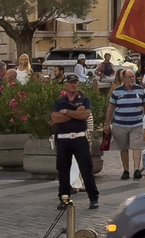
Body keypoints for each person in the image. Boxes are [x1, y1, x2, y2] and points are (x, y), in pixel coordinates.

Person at [51, 74, 99, 210]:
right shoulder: (59, 102)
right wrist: (74, 113)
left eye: (76, 82)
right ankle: (64, 198)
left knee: (86, 169)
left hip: (79, 138)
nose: (74, 85)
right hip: (63, 139)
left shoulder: (84, 100)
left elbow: (85, 115)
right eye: (71, 83)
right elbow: (55, 118)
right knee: (63, 170)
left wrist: (66, 112)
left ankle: (93, 197)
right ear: (65, 85)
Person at [106, 69, 145, 181]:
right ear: (124, 78)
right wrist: (107, 123)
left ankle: (136, 170)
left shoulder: (140, 90)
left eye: (133, 77)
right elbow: (111, 107)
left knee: (137, 146)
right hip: (120, 124)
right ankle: (125, 170)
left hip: (137, 123)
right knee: (123, 147)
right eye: (129, 77)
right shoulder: (117, 91)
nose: (132, 79)